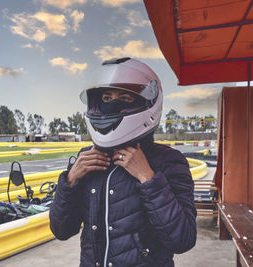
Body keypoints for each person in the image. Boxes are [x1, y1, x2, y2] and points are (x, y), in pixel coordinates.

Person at [49, 57, 196, 267]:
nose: (112, 104)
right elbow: (61, 230)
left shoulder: (168, 161)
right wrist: (70, 180)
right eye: (107, 98)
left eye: (125, 97)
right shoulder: (85, 159)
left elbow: (183, 240)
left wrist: (148, 178)